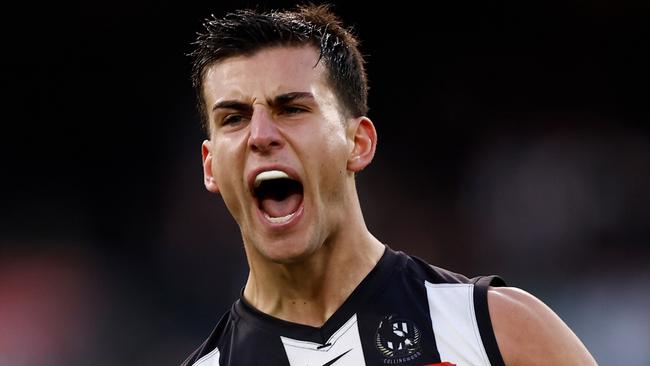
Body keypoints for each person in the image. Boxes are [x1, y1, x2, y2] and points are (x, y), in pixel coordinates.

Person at [181, 4, 596, 365]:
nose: (260, 135)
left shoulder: (500, 331)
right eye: (233, 118)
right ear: (211, 166)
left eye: (291, 108)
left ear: (358, 143)